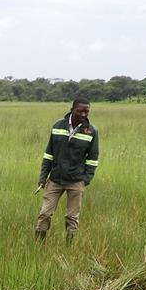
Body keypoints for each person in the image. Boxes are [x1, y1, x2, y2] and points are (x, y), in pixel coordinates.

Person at [35, 98, 99, 242]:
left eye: (86, 111)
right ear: (72, 109)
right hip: (55, 179)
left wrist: (85, 180)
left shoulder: (91, 131)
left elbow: (93, 159)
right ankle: (38, 246)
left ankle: (69, 248)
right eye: (80, 111)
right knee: (45, 214)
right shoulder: (58, 126)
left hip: (76, 181)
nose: (83, 114)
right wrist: (43, 177)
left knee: (72, 217)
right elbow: (48, 154)